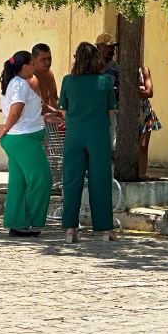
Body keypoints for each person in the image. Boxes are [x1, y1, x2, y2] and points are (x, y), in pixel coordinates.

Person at [58, 41, 118, 242]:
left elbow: (64, 110)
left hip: (74, 134)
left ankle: (70, 229)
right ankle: (105, 230)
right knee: (100, 181)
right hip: (98, 134)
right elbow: (110, 112)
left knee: (71, 180)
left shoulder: (68, 81)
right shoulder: (105, 81)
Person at [0, 51, 51, 237]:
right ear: (24, 66)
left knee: (18, 183)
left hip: (20, 138)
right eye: (32, 64)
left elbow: (24, 113)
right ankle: (30, 221)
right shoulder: (19, 84)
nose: (35, 68)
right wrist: (5, 128)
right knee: (42, 179)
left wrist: (47, 116)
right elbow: (16, 111)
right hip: (23, 139)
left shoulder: (16, 83)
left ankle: (17, 223)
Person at [95, 33, 120, 152]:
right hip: (93, 111)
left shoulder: (116, 68)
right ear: (99, 47)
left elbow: (121, 89)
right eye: (107, 47)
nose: (111, 50)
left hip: (110, 111)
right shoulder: (90, 66)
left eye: (112, 47)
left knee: (111, 145)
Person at [138, 63, 162, 179]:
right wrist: (140, 89)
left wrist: (136, 90)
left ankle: (141, 175)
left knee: (143, 146)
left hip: (144, 112)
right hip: (125, 112)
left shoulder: (144, 70)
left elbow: (149, 92)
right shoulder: (116, 69)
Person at [27, 42, 59, 115]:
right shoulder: (30, 78)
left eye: (49, 58)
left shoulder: (49, 73)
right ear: (34, 60)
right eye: (43, 59)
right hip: (39, 122)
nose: (47, 62)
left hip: (54, 122)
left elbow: (54, 97)